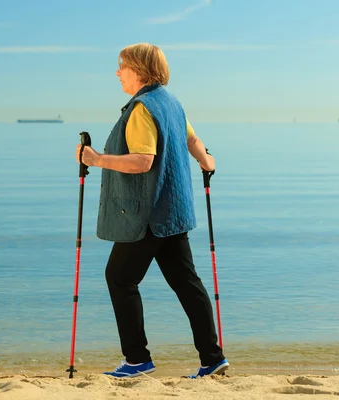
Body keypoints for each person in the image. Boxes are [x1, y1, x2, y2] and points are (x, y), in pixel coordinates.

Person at [75, 43, 228, 379]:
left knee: (119, 278)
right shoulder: (171, 103)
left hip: (146, 216)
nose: (118, 73)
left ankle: (137, 359)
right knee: (188, 284)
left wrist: (97, 159)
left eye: (122, 66)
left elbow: (144, 162)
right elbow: (191, 140)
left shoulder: (143, 108)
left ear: (140, 70)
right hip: (173, 214)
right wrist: (207, 161)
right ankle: (212, 358)